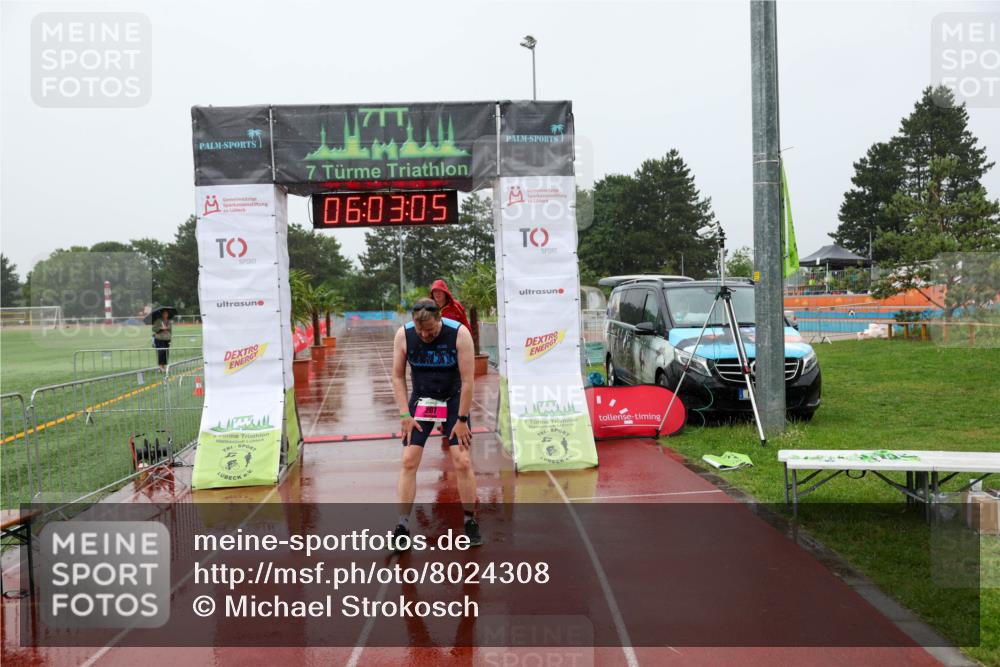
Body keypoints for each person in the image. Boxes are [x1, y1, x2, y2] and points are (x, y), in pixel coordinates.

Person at [391, 298, 481, 548]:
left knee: (462, 461)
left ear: (439, 319)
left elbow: (469, 381)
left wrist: (462, 419)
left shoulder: (459, 334)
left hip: (453, 400)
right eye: (420, 331)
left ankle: (470, 520)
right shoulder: (404, 335)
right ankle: (402, 525)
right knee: (408, 460)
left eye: (429, 330)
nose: (424, 335)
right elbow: (398, 377)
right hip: (421, 400)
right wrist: (404, 414)